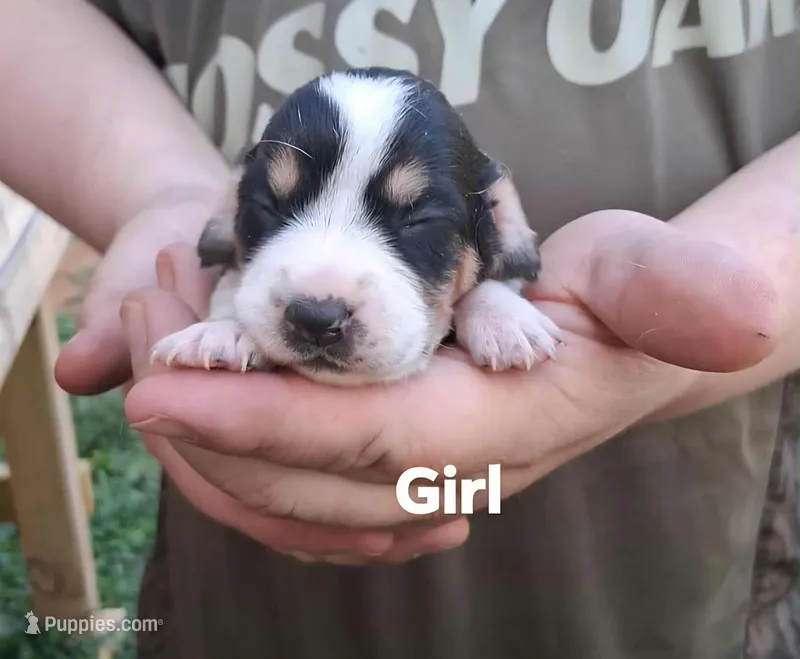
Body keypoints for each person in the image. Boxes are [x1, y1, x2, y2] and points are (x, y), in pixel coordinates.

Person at [1, 1, 797, 658]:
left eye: (416, 221)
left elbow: (503, 276)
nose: (318, 297)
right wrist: (185, 240)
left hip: (650, 553)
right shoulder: (237, 256)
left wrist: (493, 304)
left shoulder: (494, 252)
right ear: (234, 206)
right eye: (275, 206)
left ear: (496, 225)